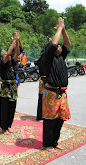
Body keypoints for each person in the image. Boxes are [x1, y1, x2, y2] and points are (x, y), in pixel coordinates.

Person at [41, 17, 71, 152]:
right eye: (56, 46)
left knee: (59, 120)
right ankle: (47, 144)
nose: (59, 47)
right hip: (51, 93)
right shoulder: (48, 58)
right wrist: (59, 28)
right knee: (50, 121)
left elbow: (67, 44)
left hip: (61, 93)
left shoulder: (60, 57)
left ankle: (54, 142)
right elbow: (53, 45)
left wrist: (63, 29)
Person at [0, 32, 21, 134]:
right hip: (6, 87)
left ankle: (9, 125)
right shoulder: (2, 64)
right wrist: (13, 41)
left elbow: (17, 53)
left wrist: (17, 41)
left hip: (13, 87)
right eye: (5, 56)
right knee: (5, 107)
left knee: (12, 107)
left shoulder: (12, 63)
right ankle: (3, 127)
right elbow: (8, 54)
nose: (8, 56)